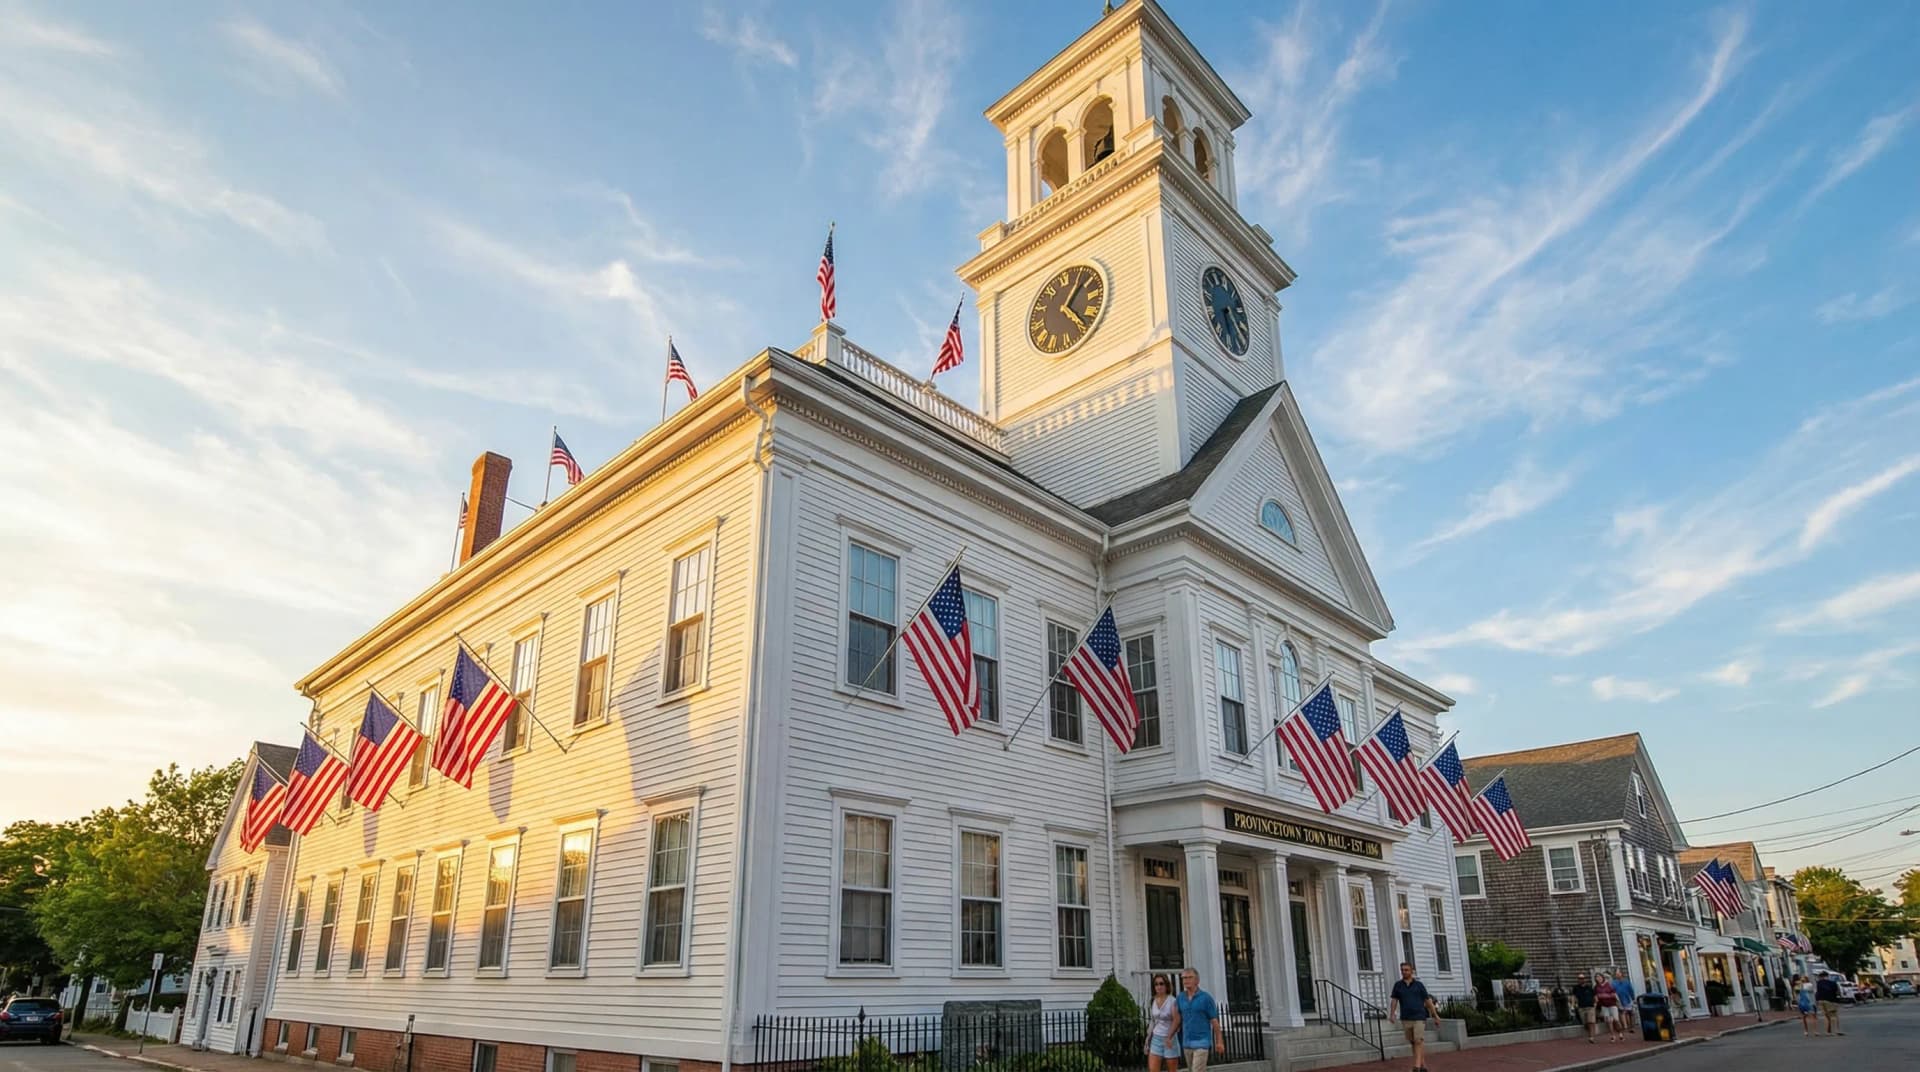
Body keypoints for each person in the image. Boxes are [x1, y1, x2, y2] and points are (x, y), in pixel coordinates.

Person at [1387, 962, 1440, 1072]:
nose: (1404, 972)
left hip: (1419, 1016)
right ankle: (1423, 1064)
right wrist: (1392, 1014)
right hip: (1406, 1017)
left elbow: (1427, 1001)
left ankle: (1416, 1067)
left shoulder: (1419, 985)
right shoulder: (1398, 985)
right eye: (1402, 970)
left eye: (1406, 970)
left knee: (1418, 1040)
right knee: (1413, 1042)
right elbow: (1394, 1000)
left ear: (1412, 971)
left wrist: (1435, 1015)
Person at [1175, 968, 1224, 1072]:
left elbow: (1214, 1021)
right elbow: (1178, 1019)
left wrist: (1219, 1041)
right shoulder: (1180, 998)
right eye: (1184, 978)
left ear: (1197, 980)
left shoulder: (1206, 998)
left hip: (1202, 1042)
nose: (1186, 980)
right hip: (1187, 1042)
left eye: (1189, 977)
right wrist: (1170, 1035)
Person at [1145, 973, 1182, 1072]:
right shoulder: (1153, 1000)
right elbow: (1153, 1021)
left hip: (1169, 1039)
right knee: (1153, 1069)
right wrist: (1147, 1039)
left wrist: (1169, 1036)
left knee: (1172, 1070)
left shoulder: (1172, 1001)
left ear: (1166, 985)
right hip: (1156, 1038)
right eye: (1156, 984)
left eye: (1161, 984)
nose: (1159, 986)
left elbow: (1176, 1020)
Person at [1595, 971, 1623, 1042]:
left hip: (1612, 1004)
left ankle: (1620, 1033)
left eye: (1599, 977)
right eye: (1597, 977)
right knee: (1609, 1021)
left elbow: (1614, 994)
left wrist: (1607, 996)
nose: (1598, 978)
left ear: (1602, 977)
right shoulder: (1596, 987)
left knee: (1616, 1020)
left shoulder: (1608, 985)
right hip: (1604, 1006)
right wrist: (1596, 1001)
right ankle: (1612, 1036)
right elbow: (1596, 995)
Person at [1814, 971, 1842, 1036]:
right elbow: (1837, 992)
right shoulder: (1833, 983)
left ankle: (1828, 1032)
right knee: (1834, 1016)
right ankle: (1837, 1030)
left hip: (1821, 1000)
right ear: (1827, 976)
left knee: (1826, 1016)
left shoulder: (1818, 983)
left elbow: (1817, 992)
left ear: (1820, 977)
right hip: (1830, 1000)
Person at [1572, 974, 1598, 1043]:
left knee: (1590, 1022)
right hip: (1581, 1007)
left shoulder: (1589, 987)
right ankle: (1590, 1033)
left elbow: (1595, 995)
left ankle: (1591, 1037)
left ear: (1584, 979)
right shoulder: (1576, 988)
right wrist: (1573, 1004)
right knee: (1585, 1023)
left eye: (1582, 978)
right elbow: (1574, 997)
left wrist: (1595, 1003)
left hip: (1590, 1006)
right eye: (1580, 978)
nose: (1581, 980)